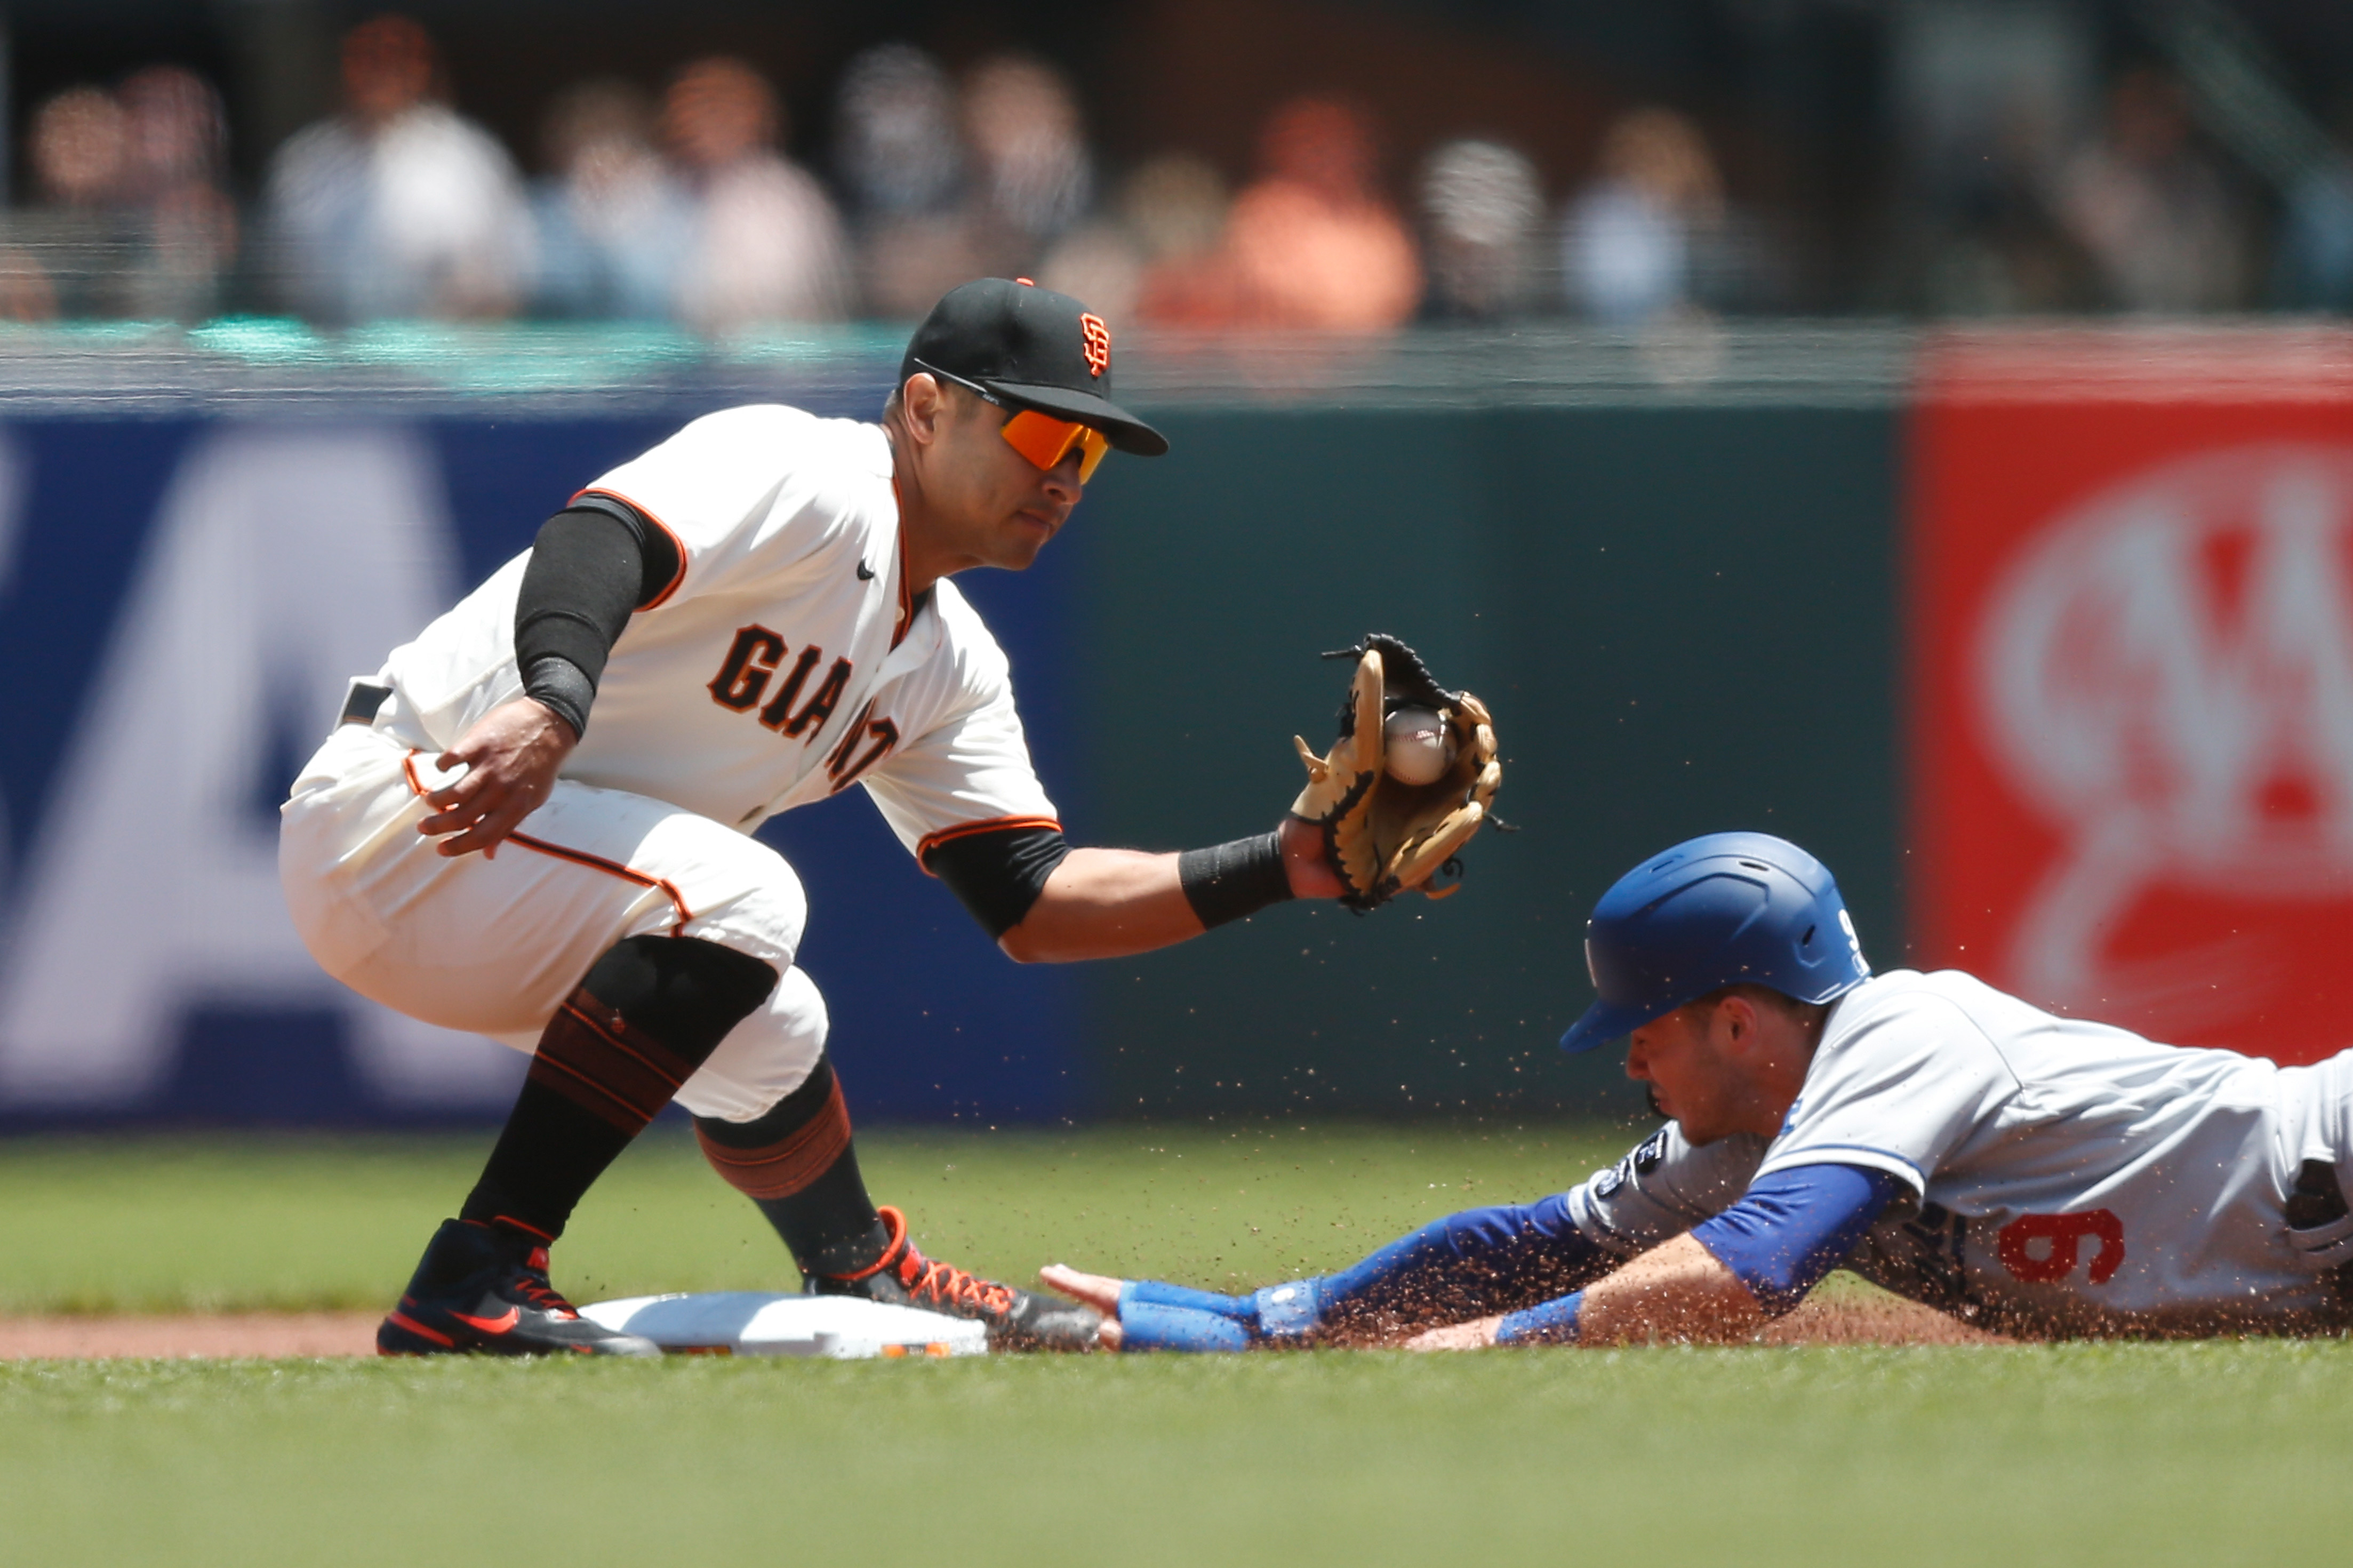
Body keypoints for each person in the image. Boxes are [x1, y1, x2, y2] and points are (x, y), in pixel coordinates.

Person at [281, 278, 1378, 1357]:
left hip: (506, 883)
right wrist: (555, 702)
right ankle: (479, 1271)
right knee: (748, 897)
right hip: (412, 806)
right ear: (925, 409)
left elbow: (1035, 904)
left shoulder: (949, 664)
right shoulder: (809, 473)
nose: (1067, 478)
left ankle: (859, 1269)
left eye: (1089, 456)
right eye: (1047, 435)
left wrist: (1285, 864)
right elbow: (599, 538)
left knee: (776, 1026)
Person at [1044, 831, 2353, 1349]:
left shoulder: (1903, 1031)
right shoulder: (1756, 1130)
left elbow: (1746, 1278)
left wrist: (1485, 1353)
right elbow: (1529, 1247)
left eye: (1644, 1030)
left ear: (1739, 1020)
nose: (1627, 1061)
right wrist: (1266, 1324)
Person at [263, 13, 533, 323]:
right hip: (331, 353)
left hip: (442, 347)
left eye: (396, 62)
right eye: (365, 61)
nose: (379, 75)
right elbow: (278, 276)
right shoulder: (305, 161)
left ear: (422, 71)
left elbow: (510, 274)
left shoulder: (468, 158)